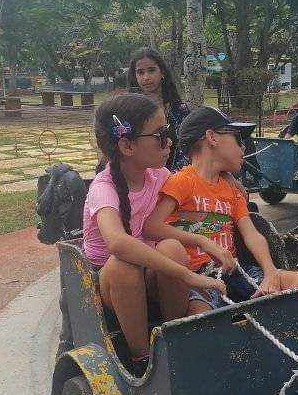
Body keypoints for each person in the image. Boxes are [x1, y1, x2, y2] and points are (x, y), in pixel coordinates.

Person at [83, 93, 228, 377]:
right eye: (161, 133)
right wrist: (187, 276)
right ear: (127, 145)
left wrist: (228, 178)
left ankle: (174, 339)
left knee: (172, 247)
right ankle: (141, 357)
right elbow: (119, 244)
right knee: (123, 264)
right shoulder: (104, 189)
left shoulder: (159, 176)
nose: (170, 140)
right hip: (113, 285)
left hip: (150, 274)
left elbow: (197, 183)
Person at [145, 106, 298, 306]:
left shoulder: (232, 190)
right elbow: (152, 226)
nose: (243, 148)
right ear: (212, 138)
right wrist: (201, 241)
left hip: (234, 271)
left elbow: (251, 235)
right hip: (196, 275)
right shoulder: (182, 181)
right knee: (200, 313)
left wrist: (270, 272)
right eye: (238, 139)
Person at [128, 48, 190, 170]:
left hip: (177, 179)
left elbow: (189, 150)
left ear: (162, 73)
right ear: (135, 76)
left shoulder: (179, 111)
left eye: (151, 70)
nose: (146, 77)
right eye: (140, 72)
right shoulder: (129, 112)